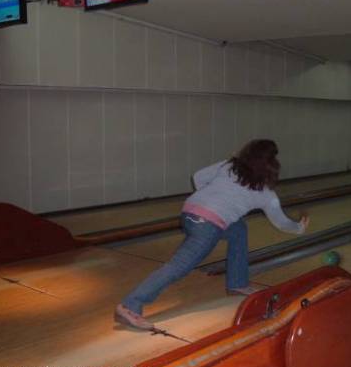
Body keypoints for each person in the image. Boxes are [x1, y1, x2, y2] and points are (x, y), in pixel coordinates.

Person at [115, 139, 310, 330]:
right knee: (178, 266)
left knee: (238, 229)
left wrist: (210, 201)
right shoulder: (266, 194)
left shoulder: (228, 166)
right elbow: (281, 223)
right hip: (207, 225)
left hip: (189, 212)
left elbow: (198, 176)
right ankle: (130, 305)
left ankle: (237, 283)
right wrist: (299, 228)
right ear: (272, 167)